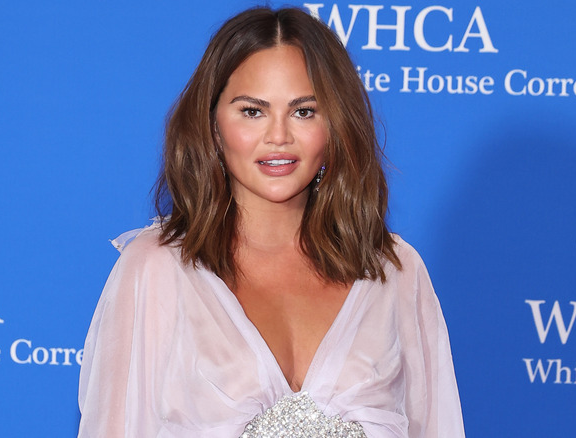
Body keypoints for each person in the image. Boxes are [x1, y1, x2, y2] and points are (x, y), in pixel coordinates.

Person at [78, 6, 464, 438]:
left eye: (303, 111)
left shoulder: (395, 271)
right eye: (252, 111)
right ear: (212, 123)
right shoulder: (156, 270)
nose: (278, 136)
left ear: (336, 125)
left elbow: (438, 427)